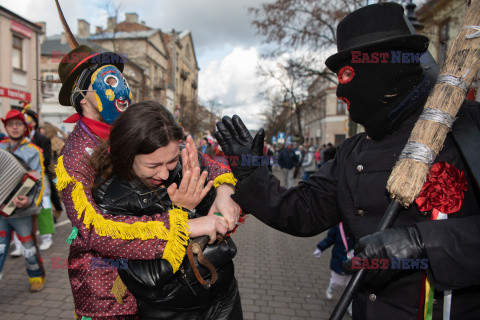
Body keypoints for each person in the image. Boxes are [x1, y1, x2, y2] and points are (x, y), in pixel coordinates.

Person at [215, 3, 480, 319]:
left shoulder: (468, 130)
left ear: (387, 68)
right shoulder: (351, 152)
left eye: (348, 74)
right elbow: (301, 212)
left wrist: (421, 245)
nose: (342, 91)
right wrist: (251, 172)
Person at [55, 45, 240, 318]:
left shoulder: (133, 124)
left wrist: (224, 190)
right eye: (106, 80)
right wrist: (185, 225)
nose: (119, 87)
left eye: (119, 77)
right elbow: (96, 230)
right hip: (107, 287)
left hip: (161, 285)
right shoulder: (72, 158)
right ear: (81, 95)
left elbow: (198, 159)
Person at [90, 101, 242, 319]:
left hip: (224, 296)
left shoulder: (182, 157)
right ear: (127, 154)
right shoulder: (109, 197)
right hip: (171, 312)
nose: (163, 174)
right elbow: (150, 276)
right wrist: (182, 214)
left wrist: (225, 191)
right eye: (153, 166)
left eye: (170, 161)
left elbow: (217, 171)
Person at [0, 109, 45, 292]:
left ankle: (35, 277)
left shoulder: (33, 151)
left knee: (28, 245)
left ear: (25, 128)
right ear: (6, 127)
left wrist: (28, 201)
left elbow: (39, 181)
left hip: (22, 209)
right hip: (1, 208)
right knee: (0, 247)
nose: (15, 128)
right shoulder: (1, 147)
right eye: (11, 124)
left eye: (18, 124)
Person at [26, 108, 61, 250]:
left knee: (45, 205)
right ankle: (21, 242)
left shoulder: (43, 139)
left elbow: (47, 160)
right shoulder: (16, 141)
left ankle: (46, 237)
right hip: (22, 180)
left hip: (44, 177)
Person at [313, 224, 355, 315]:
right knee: (337, 282)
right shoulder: (337, 226)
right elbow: (329, 239)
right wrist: (320, 248)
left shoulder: (360, 227)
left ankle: (351, 304)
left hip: (354, 263)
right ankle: (331, 288)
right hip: (339, 262)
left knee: (352, 286)